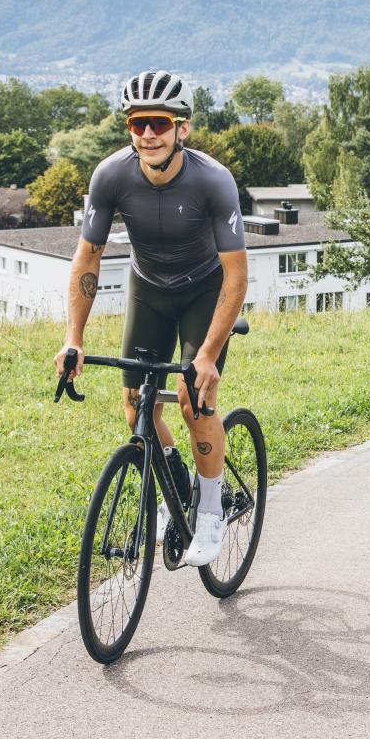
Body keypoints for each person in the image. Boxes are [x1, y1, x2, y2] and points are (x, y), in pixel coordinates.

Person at [54, 70, 248, 567]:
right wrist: (73, 337)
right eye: (137, 123)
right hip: (149, 290)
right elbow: (88, 258)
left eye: (158, 123)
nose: (147, 134)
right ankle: (174, 484)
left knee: (192, 399)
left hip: (204, 291)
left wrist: (207, 355)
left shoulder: (213, 180)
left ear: (181, 128)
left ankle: (210, 509)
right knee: (134, 403)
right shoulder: (111, 176)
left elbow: (236, 278)